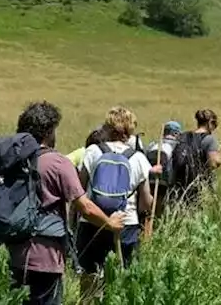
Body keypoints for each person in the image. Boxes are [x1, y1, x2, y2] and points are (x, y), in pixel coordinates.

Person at [1, 101, 126, 305]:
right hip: (46, 256)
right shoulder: (58, 163)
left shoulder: (12, 161)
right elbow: (84, 207)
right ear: (49, 131)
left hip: (15, 252)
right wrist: (110, 223)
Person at [77, 107, 154, 299]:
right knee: (122, 278)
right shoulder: (139, 158)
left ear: (108, 128)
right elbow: (146, 203)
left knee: (90, 278)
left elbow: (78, 190)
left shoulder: (93, 151)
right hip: (125, 223)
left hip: (92, 222)